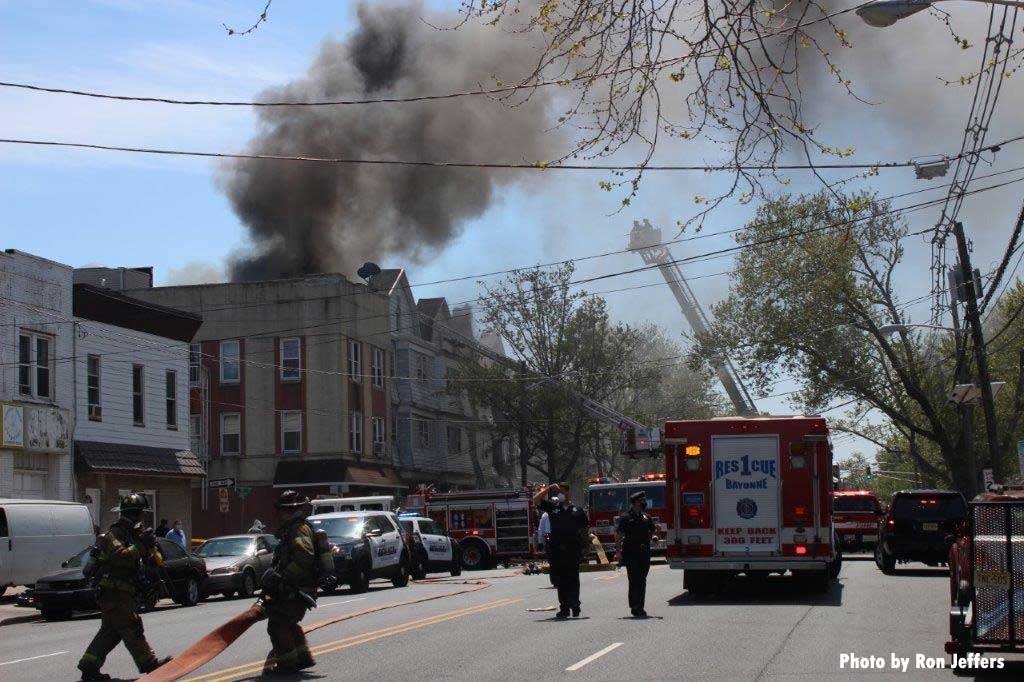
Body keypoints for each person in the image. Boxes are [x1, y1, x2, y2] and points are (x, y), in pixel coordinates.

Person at [76, 493, 172, 681]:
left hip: (120, 592)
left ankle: (89, 668)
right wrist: (141, 545)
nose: (142, 518)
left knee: (110, 633)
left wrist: (149, 545)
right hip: (115, 593)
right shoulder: (113, 535)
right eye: (141, 513)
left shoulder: (132, 534)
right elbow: (121, 557)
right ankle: (149, 664)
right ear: (137, 514)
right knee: (131, 626)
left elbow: (149, 560)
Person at [261, 490, 318, 673]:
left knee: (278, 623)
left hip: (296, 587)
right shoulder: (292, 529)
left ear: (291, 511)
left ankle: (288, 664)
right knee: (288, 622)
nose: (279, 515)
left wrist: (284, 577)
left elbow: (304, 556)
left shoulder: (298, 528)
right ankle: (302, 657)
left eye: (282, 511)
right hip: (296, 586)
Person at [532, 483, 588, 619]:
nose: (560, 494)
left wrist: (586, 546)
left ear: (568, 493)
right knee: (560, 580)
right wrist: (549, 489)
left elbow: (585, 530)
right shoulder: (553, 508)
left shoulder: (577, 510)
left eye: (562, 492)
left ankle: (575, 605)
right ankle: (564, 608)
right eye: (558, 492)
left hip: (573, 549)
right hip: (557, 549)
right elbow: (536, 500)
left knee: (573, 579)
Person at [615, 490, 657, 617]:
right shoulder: (626, 517)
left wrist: (655, 535)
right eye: (641, 501)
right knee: (634, 579)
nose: (644, 503)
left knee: (642, 580)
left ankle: (640, 606)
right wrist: (618, 552)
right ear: (635, 502)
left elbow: (653, 531)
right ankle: (635, 606)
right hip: (631, 552)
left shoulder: (646, 517)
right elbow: (619, 534)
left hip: (644, 552)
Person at [537, 511, 556, 587]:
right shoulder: (546, 515)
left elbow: (540, 530)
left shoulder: (545, 515)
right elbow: (541, 529)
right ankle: (556, 580)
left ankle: (555, 580)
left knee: (552, 561)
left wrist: (540, 542)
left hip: (550, 538)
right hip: (553, 538)